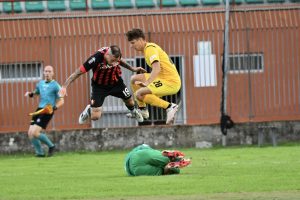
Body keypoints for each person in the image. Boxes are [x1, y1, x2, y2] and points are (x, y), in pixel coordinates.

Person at [59, 45, 147, 124]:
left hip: (116, 82)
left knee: (130, 101)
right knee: (95, 117)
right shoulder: (95, 59)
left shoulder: (115, 56)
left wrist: (133, 68)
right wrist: (64, 86)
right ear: (107, 55)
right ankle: (89, 110)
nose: (114, 63)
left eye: (116, 61)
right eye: (112, 60)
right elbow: (77, 72)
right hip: (99, 87)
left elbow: (121, 61)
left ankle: (133, 112)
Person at [125, 28, 181, 125]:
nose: (131, 46)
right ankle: (143, 110)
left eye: (133, 43)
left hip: (170, 82)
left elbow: (156, 69)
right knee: (134, 79)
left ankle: (169, 106)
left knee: (139, 94)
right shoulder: (148, 49)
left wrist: (147, 83)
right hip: (163, 78)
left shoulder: (150, 49)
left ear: (141, 40)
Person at [24, 65, 64, 157]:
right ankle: (40, 153)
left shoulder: (56, 85)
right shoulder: (40, 83)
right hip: (39, 110)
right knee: (30, 133)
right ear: (43, 73)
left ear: (53, 73)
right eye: (46, 71)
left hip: (47, 110)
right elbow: (36, 93)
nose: (47, 73)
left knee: (35, 132)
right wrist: (30, 94)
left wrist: (54, 108)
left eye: (49, 71)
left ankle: (51, 146)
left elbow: (62, 100)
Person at [124, 144, 191, 176]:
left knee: (161, 172)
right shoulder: (143, 148)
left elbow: (144, 147)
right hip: (141, 154)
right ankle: (172, 162)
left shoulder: (127, 164)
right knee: (173, 170)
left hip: (134, 170)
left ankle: (170, 163)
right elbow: (144, 146)